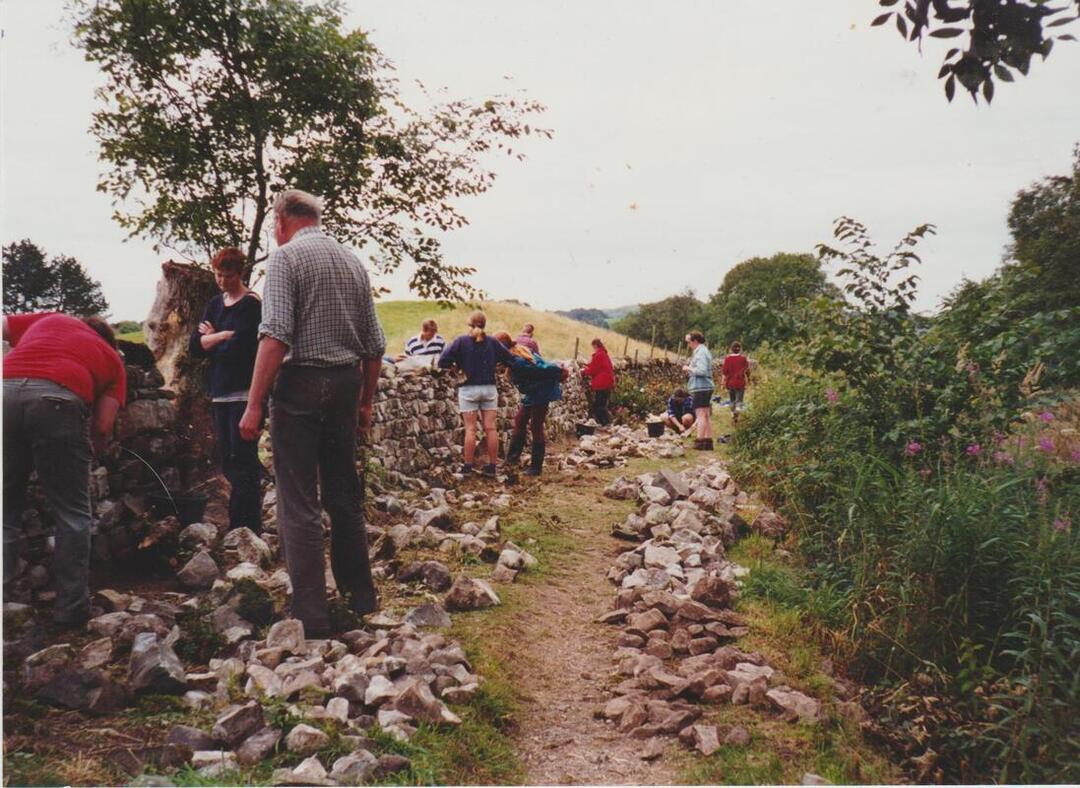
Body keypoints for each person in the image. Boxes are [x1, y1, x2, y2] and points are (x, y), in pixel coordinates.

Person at [237, 189, 386, 637]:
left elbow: (276, 335)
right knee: (344, 495)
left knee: (298, 500)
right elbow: (374, 345)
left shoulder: (285, 260)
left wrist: (253, 404)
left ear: (281, 221)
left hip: (301, 383)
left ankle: (311, 617)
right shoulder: (352, 260)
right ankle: (361, 600)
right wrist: (365, 401)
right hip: (344, 383)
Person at [3, 312, 127, 626]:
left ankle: (5, 607)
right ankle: (71, 610)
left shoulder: (50, 318)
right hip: (57, 399)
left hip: (4, 390)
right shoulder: (112, 359)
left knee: (5, 508)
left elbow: (3, 326)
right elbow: (102, 425)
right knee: (72, 513)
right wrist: (86, 457)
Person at [188, 247, 263, 532]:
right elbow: (195, 346)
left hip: (245, 393)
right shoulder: (215, 305)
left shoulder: (251, 306)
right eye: (218, 274)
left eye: (228, 276)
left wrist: (212, 340)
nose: (221, 281)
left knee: (244, 460)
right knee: (228, 460)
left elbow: (241, 349)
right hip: (220, 393)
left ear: (239, 274)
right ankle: (237, 525)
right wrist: (221, 336)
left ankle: (249, 527)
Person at [438, 311, 515, 476]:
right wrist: (497, 366)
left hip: (468, 389)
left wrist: (456, 367)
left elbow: (442, 361)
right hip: (489, 388)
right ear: (484, 324)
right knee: (491, 428)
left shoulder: (461, 341)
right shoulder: (493, 342)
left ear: (469, 325)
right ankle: (493, 466)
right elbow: (511, 359)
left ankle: (467, 466)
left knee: (471, 429)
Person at [495, 331, 566, 476]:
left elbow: (542, 368)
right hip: (533, 391)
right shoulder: (514, 355)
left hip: (542, 390)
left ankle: (536, 467)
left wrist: (560, 371)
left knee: (535, 425)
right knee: (520, 420)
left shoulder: (517, 360)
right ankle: (512, 460)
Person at [683, 330, 715, 450]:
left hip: (701, 387)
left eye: (689, 342)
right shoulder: (703, 351)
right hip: (706, 387)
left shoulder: (700, 353)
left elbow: (701, 371)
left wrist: (688, 368)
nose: (689, 345)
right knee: (706, 415)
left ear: (695, 341)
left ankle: (700, 441)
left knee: (700, 415)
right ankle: (708, 441)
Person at [581, 338, 615, 426]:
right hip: (607, 382)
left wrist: (583, 371)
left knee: (599, 405)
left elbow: (593, 370)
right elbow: (597, 365)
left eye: (593, 347)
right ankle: (607, 423)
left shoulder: (598, 355)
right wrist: (587, 365)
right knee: (602, 404)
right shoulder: (603, 354)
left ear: (595, 345)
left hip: (602, 383)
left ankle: (606, 423)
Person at [721, 341, 751, 424]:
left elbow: (724, 372)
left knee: (732, 400)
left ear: (731, 349)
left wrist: (722, 383)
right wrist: (749, 380)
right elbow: (747, 371)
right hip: (740, 382)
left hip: (730, 383)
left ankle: (733, 415)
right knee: (739, 400)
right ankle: (737, 411)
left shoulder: (727, 359)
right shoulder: (743, 359)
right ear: (740, 349)